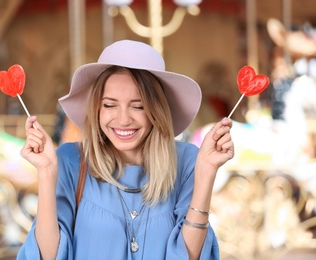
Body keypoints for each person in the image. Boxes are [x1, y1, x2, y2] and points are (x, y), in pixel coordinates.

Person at [17, 40, 234, 260]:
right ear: (97, 109)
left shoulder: (186, 160)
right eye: (110, 105)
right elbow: (47, 256)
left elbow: (190, 256)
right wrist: (45, 172)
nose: (123, 119)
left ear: (155, 110)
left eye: (138, 106)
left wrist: (206, 170)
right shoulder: (71, 160)